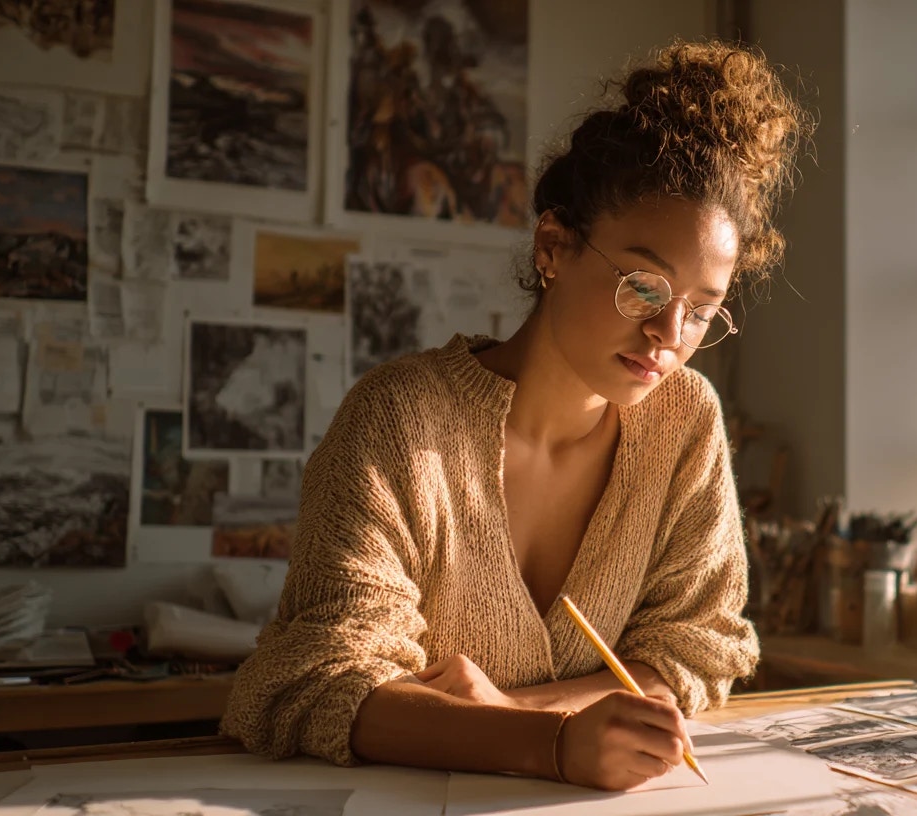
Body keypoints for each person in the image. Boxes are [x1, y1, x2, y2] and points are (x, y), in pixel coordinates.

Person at [220, 39, 811, 791]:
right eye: (645, 288)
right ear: (553, 247)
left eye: (702, 311)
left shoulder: (684, 419)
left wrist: (516, 712)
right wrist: (552, 746)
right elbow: (314, 680)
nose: (668, 338)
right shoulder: (399, 420)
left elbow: (693, 647)